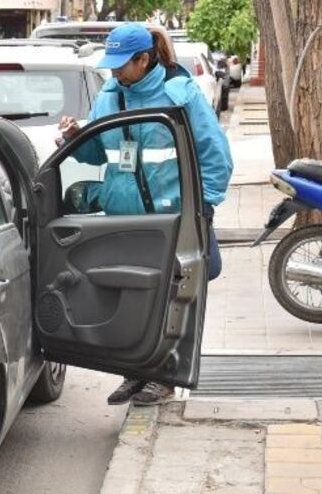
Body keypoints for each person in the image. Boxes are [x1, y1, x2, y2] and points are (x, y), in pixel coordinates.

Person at [58, 23, 233, 406]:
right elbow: (97, 154)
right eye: (111, 65)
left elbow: (215, 156)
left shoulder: (179, 95)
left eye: (123, 65)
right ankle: (134, 373)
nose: (115, 72)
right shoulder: (108, 97)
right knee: (132, 298)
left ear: (144, 58)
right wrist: (75, 138)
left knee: (176, 296)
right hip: (124, 219)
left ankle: (165, 377)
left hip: (173, 219)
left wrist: (203, 207)